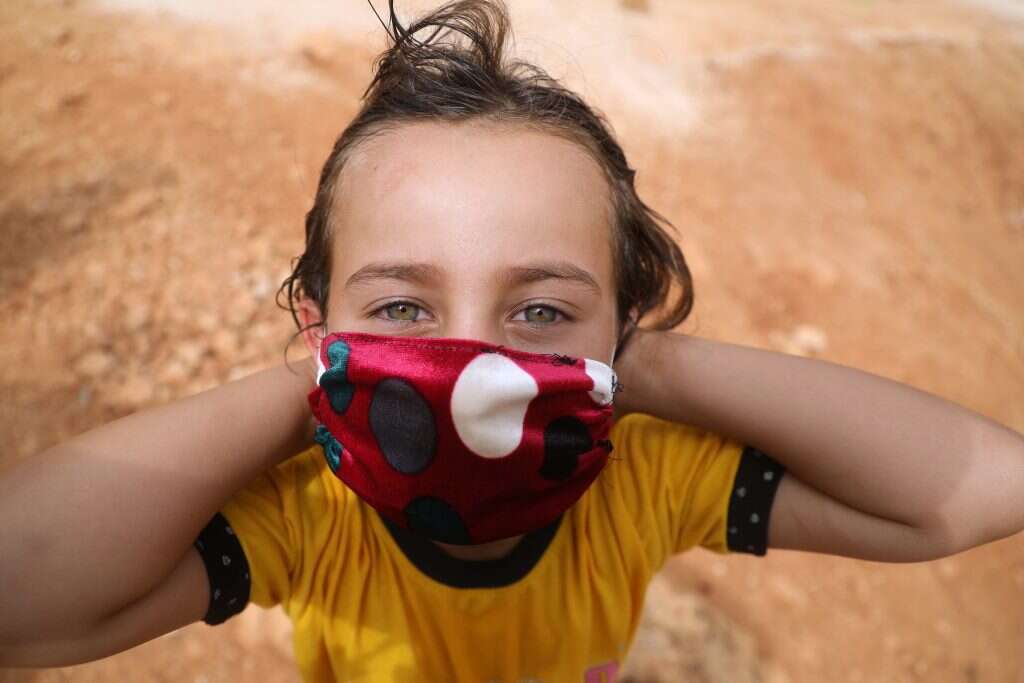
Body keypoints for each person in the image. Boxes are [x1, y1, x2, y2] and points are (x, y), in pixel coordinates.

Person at [3, 0, 1023, 680]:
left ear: (617, 334)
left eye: (540, 310)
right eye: (402, 307)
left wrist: (649, 364)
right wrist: (302, 383)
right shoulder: (315, 511)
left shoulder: (643, 479)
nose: (475, 366)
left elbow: (979, 490)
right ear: (317, 321)